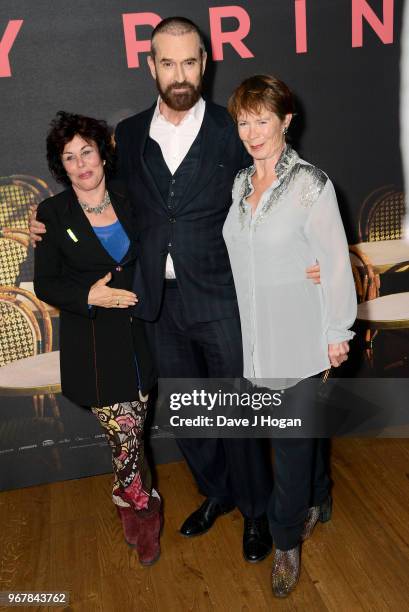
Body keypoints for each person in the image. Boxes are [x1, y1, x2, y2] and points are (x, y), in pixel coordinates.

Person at [30, 17, 320, 563]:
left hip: (222, 298)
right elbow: (100, 191)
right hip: (155, 305)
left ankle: (255, 513)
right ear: (151, 66)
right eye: (168, 62)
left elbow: (278, 182)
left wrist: (316, 252)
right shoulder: (132, 133)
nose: (180, 73)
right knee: (189, 415)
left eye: (190, 62)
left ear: (205, 64)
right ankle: (217, 494)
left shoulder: (232, 128)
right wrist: (48, 219)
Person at [224, 74, 357, 596]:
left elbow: (333, 261)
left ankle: (284, 543)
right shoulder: (238, 184)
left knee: (290, 447)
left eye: (263, 120)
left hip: (300, 335)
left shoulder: (311, 184)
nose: (253, 132)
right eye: (243, 121)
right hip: (256, 339)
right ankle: (320, 496)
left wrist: (336, 329)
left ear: (285, 121)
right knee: (300, 441)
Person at [33, 111, 161, 566]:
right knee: (125, 432)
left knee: (134, 428)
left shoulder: (133, 195)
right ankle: (141, 507)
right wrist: (90, 294)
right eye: (70, 157)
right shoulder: (52, 214)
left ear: (103, 153)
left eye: (87, 151)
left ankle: (128, 490)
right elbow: (46, 283)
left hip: (142, 336)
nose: (81, 163)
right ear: (61, 166)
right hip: (94, 345)